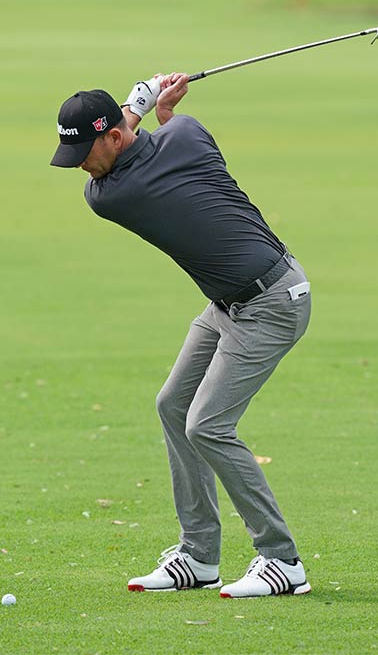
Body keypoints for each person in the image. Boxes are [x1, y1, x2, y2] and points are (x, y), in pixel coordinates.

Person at [51, 75, 313, 598]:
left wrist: (138, 103)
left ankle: (282, 560)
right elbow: (160, 138)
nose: (80, 163)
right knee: (173, 405)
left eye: (84, 150)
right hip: (230, 302)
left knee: (208, 425)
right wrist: (154, 109)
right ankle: (199, 554)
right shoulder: (189, 131)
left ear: (113, 138)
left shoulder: (112, 195)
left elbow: (134, 143)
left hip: (272, 303)